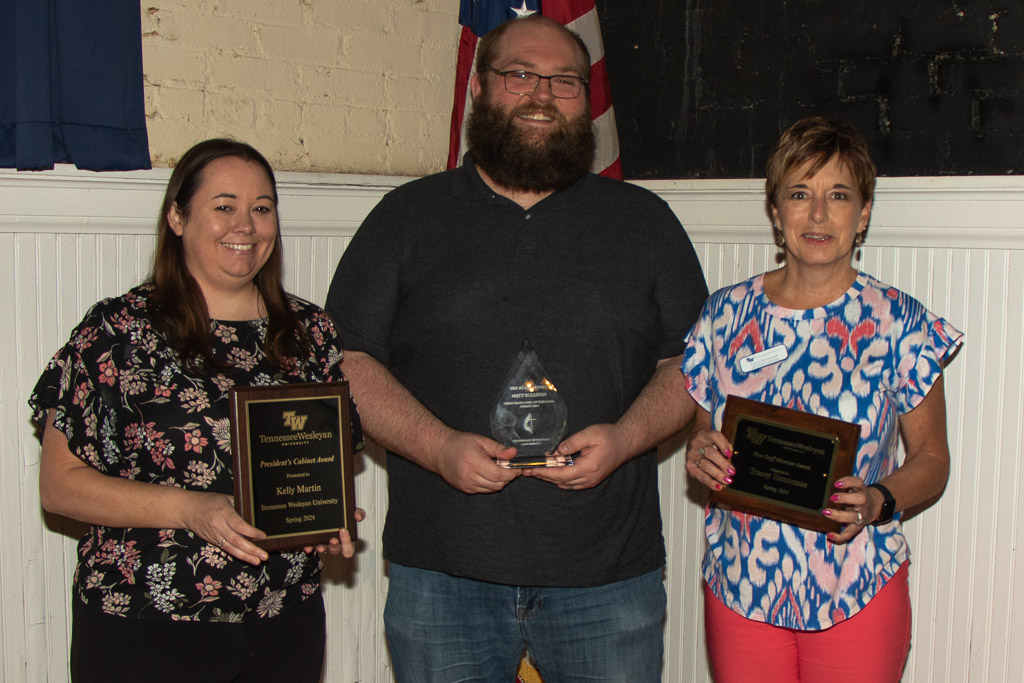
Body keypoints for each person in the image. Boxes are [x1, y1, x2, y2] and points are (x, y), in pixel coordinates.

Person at [325, 13, 708, 683]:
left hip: (607, 576)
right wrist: (439, 448)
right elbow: (348, 362)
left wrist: (624, 439)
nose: (542, 95)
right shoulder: (405, 217)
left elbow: (690, 364)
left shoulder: (644, 221)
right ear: (478, 88)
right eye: (520, 74)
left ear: (586, 99)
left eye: (564, 80)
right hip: (442, 573)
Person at [30, 139, 363, 683]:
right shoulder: (118, 332)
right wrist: (192, 510)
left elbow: (317, 466)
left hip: (282, 619)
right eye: (224, 206)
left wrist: (321, 519)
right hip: (145, 622)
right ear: (178, 217)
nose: (246, 225)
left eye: (262, 208)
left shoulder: (310, 333)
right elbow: (59, 486)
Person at [682, 117, 963, 682]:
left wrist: (878, 499)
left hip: (857, 585)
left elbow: (933, 459)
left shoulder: (901, 322)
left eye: (838, 195)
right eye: (799, 194)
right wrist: (700, 452)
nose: (817, 215)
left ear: (863, 214)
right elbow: (702, 433)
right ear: (775, 210)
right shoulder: (724, 314)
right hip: (741, 584)